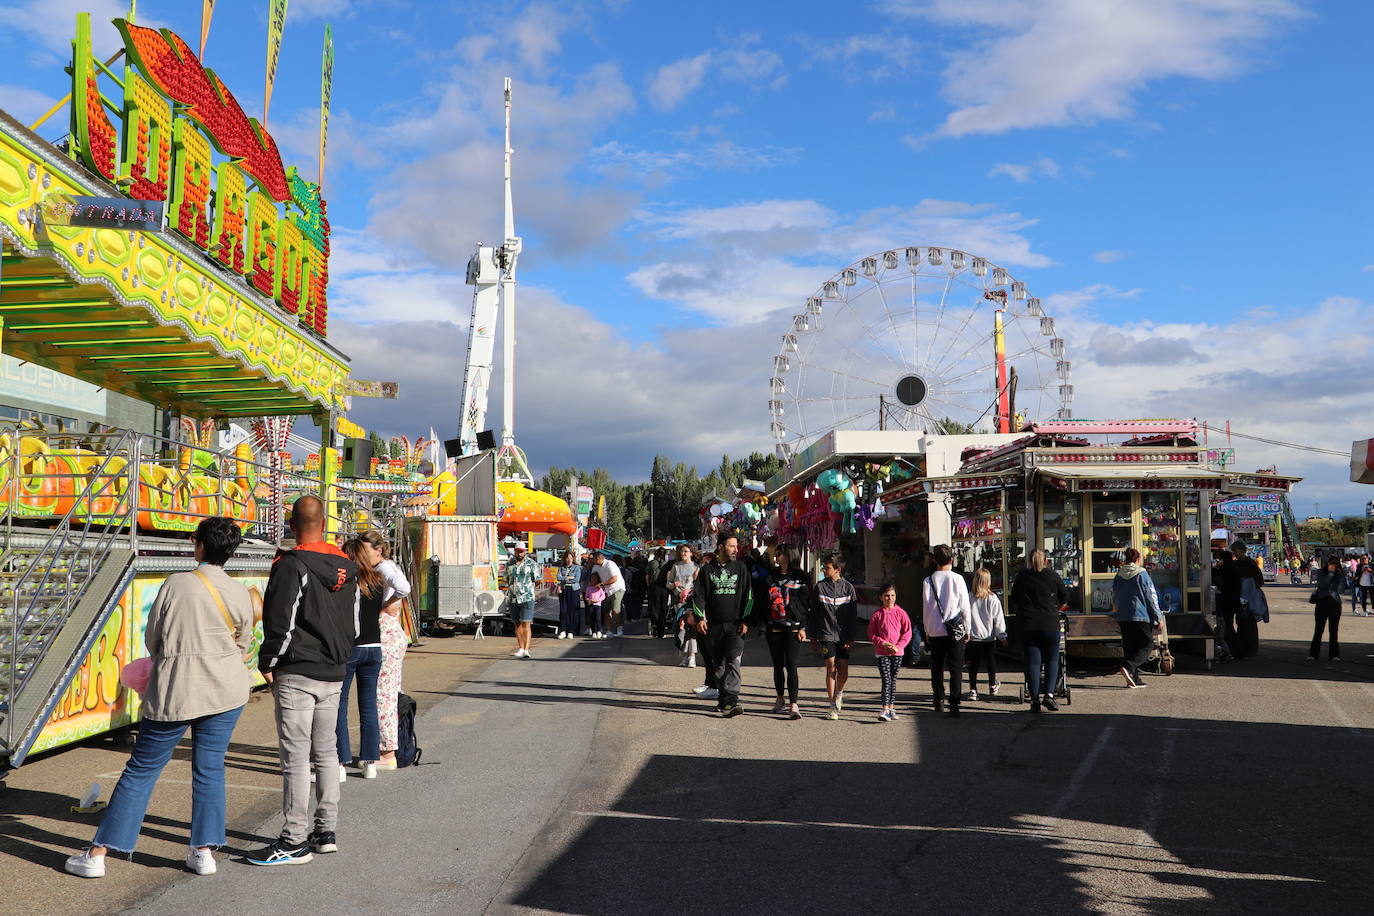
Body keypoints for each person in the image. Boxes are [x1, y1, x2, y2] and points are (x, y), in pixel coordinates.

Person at [66, 518, 254, 879]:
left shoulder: (177, 584)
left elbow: (154, 638)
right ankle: (203, 852)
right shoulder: (239, 592)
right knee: (210, 768)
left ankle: (98, 854)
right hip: (227, 688)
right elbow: (242, 643)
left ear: (199, 545)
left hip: (177, 689)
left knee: (141, 770)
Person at [248, 495, 358, 866]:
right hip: (335, 669)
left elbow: (280, 619)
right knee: (326, 752)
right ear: (325, 523)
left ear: (291, 525)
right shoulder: (348, 566)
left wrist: (269, 661)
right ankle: (325, 831)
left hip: (298, 669)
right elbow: (354, 625)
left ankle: (294, 839)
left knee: (295, 758)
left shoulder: (291, 564)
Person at [358, 529, 411, 770]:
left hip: (386, 633)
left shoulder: (384, 568)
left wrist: (386, 604)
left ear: (378, 550)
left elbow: (404, 588)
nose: (362, 554)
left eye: (366, 549)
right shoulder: (383, 567)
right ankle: (387, 748)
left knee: (383, 696)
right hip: (390, 634)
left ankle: (387, 752)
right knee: (387, 692)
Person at [336, 538, 386, 782]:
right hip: (374, 647)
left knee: (339, 706)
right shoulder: (377, 581)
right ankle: (369, 762)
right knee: (368, 707)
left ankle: (340, 762)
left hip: (350, 648)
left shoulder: (346, 582)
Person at [688, 534, 753, 717]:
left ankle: (731, 701)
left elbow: (749, 596)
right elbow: (698, 597)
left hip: (735, 625)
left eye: (736, 546)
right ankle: (725, 702)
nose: (735, 549)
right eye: (731, 546)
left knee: (733, 660)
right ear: (721, 547)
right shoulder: (707, 570)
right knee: (718, 666)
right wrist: (700, 618)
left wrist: (746, 620)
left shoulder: (741, 568)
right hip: (713, 627)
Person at [1009, 549, 1070, 713]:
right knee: (1052, 660)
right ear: (1046, 561)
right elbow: (1064, 596)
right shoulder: (1053, 576)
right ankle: (1049, 695)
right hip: (1049, 623)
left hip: (1028, 624)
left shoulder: (1022, 577)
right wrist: (1054, 608)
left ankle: (1035, 700)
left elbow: (1013, 599)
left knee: (1033, 663)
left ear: (1029, 561)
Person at [755, 550, 810, 719]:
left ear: (789, 556)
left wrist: (803, 627)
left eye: (781, 553)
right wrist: (762, 623)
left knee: (791, 665)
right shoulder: (770, 577)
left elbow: (806, 604)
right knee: (777, 665)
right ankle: (780, 698)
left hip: (793, 628)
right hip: (774, 627)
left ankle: (794, 704)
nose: (777, 556)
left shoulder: (801, 578)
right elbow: (762, 600)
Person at [922, 544, 971, 718]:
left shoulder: (928, 581)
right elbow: (964, 606)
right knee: (956, 668)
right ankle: (955, 702)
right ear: (952, 559)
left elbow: (926, 607)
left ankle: (939, 699)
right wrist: (967, 627)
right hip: (954, 629)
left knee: (937, 667)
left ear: (934, 559)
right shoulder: (957, 579)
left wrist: (927, 630)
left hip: (935, 629)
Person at [809, 554, 858, 720]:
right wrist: (813, 636)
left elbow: (853, 616)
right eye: (824, 567)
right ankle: (832, 705)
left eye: (827, 567)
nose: (824, 570)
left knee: (843, 669)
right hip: (826, 633)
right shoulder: (820, 587)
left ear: (837, 569)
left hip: (844, 635)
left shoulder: (849, 588)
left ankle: (839, 693)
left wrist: (851, 638)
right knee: (830, 666)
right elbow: (814, 613)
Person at [1111, 548, 1161, 689]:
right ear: (1138, 559)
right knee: (1147, 644)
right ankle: (1128, 666)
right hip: (1140, 615)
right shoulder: (1142, 574)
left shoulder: (1118, 575)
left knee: (1130, 647)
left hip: (1123, 616)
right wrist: (1158, 617)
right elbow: (1151, 596)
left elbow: (1114, 595)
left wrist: (1116, 613)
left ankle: (1134, 678)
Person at [867, 583, 912, 722]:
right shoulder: (877, 614)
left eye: (892, 595)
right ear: (881, 597)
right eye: (887, 595)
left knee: (892, 680)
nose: (890, 598)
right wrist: (883, 643)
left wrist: (898, 646)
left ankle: (891, 707)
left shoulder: (901, 613)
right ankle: (885, 709)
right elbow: (871, 633)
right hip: (882, 652)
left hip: (897, 653)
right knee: (886, 679)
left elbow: (907, 632)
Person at [963, 568, 1006, 701]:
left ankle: (973, 689)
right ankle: (992, 684)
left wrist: (966, 631)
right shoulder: (993, 599)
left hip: (973, 636)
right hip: (988, 637)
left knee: (973, 664)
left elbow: (965, 616)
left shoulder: (969, 597)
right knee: (990, 662)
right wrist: (1002, 635)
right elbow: (998, 619)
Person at [893, 549, 928, 669]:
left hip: (902, 606)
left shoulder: (899, 572)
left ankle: (904, 656)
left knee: (904, 632)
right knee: (915, 631)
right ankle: (915, 657)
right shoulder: (921, 572)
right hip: (915, 606)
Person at [666, 545, 700, 667]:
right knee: (681, 628)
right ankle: (684, 656)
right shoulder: (676, 567)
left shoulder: (697, 567)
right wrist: (674, 585)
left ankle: (691, 656)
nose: (683, 553)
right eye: (681, 551)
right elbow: (668, 583)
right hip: (679, 601)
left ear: (691, 553)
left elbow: (699, 585)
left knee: (691, 627)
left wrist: (691, 593)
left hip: (692, 601)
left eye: (686, 551)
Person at [1231, 542, 1266, 658]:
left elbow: (1259, 581)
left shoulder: (1248, 564)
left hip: (1248, 599)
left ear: (1241, 550)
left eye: (1235, 551)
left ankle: (1249, 649)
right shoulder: (1242, 563)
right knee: (1242, 623)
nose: (1234, 553)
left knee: (1248, 624)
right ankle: (1245, 649)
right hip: (1241, 598)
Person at [1310, 555, 1345, 662]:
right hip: (1322, 601)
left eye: (1335, 564)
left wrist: (1338, 576)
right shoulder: (1321, 572)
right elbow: (1322, 583)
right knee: (1319, 629)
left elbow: (1341, 590)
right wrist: (1330, 575)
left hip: (1334, 602)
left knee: (1333, 629)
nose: (1332, 566)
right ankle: (1313, 654)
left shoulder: (1339, 574)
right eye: (1331, 564)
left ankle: (1334, 655)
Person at [591, 550, 626, 638]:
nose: (592, 561)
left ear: (598, 558)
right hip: (606, 590)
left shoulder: (610, 564)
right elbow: (593, 576)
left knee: (615, 610)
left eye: (593, 559)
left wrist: (602, 584)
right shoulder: (595, 566)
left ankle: (619, 628)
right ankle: (609, 630)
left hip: (617, 588)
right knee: (606, 610)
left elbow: (614, 579)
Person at [555, 550, 583, 639]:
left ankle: (571, 630)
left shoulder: (577, 568)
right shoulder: (561, 567)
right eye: (567, 558)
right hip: (564, 589)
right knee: (563, 610)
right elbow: (558, 577)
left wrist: (564, 579)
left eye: (571, 558)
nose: (569, 560)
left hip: (573, 589)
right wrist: (568, 578)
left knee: (572, 610)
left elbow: (576, 579)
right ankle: (563, 629)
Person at [646, 548, 668, 637]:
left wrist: (648, 586)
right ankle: (661, 630)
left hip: (654, 587)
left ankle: (654, 625)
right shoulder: (666, 564)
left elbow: (647, 576)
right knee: (663, 608)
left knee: (654, 607)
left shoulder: (651, 563)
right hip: (664, 588)